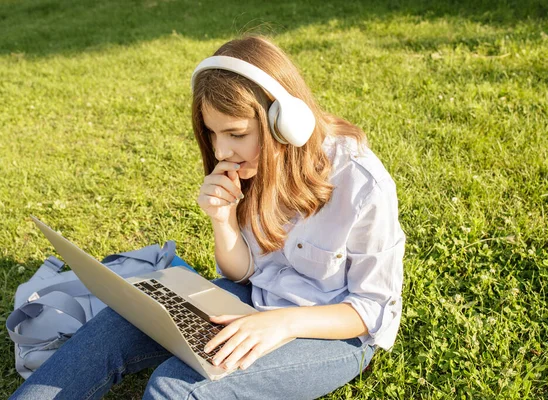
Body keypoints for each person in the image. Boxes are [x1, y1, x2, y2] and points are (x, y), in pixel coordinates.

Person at [10, 34, 405, 399]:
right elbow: (243, 274)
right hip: (253, 300)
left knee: (173, 389)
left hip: (335, 338)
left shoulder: (362, 185)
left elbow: (372, 309)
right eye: (213, 134)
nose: (220, 152)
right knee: (114, 326)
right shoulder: (249, 168)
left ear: (283, 125)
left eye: (235, 134)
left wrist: (282, 323)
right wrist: (223, 219)